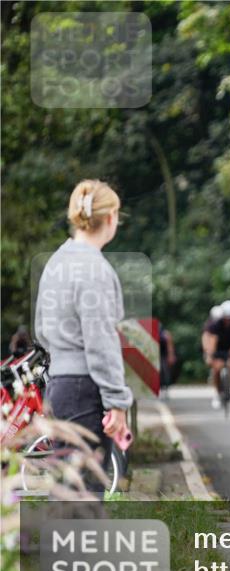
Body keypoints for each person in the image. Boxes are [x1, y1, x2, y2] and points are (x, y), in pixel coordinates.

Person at [34, 179, 133, 493]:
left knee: (67, 491)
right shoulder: (96, 270)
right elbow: (101, 342)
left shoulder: (55, 263)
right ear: (110, 217)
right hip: (85, 389)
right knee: (86, 495)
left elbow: (41, 329)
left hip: (58, 388)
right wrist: (117, 402)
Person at [158, 324, 176, 397]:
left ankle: (165, 388)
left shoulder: (165, 334)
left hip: (163, 355)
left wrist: (171, 355)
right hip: (153, 354)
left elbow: (170, 345)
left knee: (164, 371)